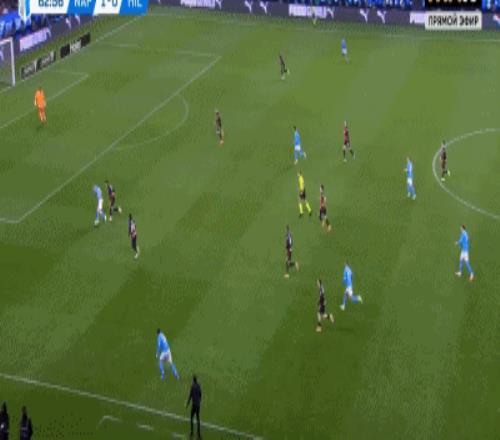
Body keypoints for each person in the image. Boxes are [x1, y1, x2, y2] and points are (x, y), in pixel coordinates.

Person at [186, 375, 202, 439]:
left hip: (194, 405)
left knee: (192, 418)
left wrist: (187, 404)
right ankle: (198, 433)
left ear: (193, 380)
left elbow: (190, 396)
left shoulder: (192, 387)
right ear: (196, 380)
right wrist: (199, 401)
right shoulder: (199, 386)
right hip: (198, 405)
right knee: (198, 418)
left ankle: (192, 431)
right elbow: (200, 394)